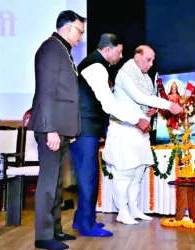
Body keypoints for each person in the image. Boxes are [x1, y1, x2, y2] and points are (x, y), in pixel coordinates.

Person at [69, 34, 151, 236]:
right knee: (88, 176)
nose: (121, 56)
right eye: (119, 51)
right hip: (84, 127)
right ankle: (87, 225)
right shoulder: (96, 66)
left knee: (87, 176)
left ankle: (82, 220)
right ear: (107, 49)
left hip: (88, 128)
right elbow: (108, 103)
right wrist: (136, 119)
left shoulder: (96, 65)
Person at [103, 45, 183, 225]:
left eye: (153, 60)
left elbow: (144, 102)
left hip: (140, 132)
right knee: (125, 173)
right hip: (124, 131)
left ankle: (133, 208)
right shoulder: (125, 74)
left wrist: (150, 110)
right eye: (148, 59)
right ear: (137, 56)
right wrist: (167, 105)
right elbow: (140, 97)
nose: (151, 64)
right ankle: (122, 211)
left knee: (138, 173)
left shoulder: (144, 77)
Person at [29, 10, 86, 250]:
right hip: (51, 129)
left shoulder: (63, 50)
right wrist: (50, 129)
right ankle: (43, 236)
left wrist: (72, 129)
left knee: (56, 185)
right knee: (48, 183)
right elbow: (46, 92)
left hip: (62, 130)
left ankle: (55, 230)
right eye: (79, 31)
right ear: (67, 27)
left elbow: (67, 96)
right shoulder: (51, 49)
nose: (81, 37)